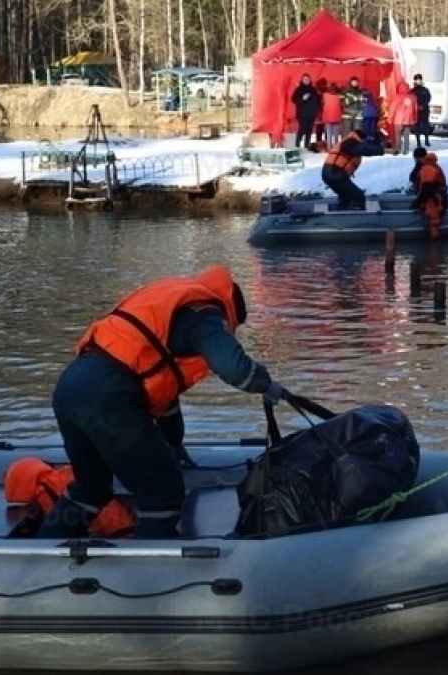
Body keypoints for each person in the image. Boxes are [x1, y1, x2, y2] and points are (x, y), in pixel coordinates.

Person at [39, 266, 286, 539]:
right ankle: (152, 570)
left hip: (70, 386)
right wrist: (267, 384)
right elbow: (234, 367)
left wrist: (174, 442)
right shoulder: (205, 312)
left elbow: (164, 398)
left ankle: (43, 547)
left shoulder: (171, 303)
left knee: (91, 487)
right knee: (162, 492)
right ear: (229, 310)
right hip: (109, 396)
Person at [321, 129, 384, 210]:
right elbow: (364, 149)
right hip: (335, 173)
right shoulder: (351, 142)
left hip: (330, 173)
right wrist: (381, 150)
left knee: (345, 196)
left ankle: (342, 212)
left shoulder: (349, 141)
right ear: (361, 138)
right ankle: (358, 216)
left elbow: (364, 149)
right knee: (358, 195)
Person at [410, 148, 448, 239]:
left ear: (417, 158)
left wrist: (418, 202)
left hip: (434, 199)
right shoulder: (425, 166)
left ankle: (434, 246)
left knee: (432, 219)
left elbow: (427, 188)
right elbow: (414, 178)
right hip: (433, 195)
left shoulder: (428, 168)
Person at [291, 73, 321, 150]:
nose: (306, 81)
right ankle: (297, 144)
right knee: (302, 129)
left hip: (311, 114)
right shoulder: (298, 89)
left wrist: (316, 111)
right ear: (302, 80)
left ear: (310, 80)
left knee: (309, 130)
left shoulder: (313, 89)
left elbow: (318, 101)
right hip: (302, 114)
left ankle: (306, 145)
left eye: (307, 79)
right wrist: (302, 98)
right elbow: (293, 100)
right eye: (304, 79)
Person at [390, 81, 419, 155]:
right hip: (409, 119)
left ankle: (398, 149)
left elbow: (393, 108)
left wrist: (390, 118)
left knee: (398, 135)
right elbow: (416, 109)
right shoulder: (413, 97)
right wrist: (415, 118)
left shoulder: (397, 97)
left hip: (398, 119)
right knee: (406, 135)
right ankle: (406, 150)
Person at [411, 74, 433, 148]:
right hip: (416, 111)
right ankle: (418, 142)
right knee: (417, 127)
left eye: (420, 80)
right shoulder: (412, 91)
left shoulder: (425, 90)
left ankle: (427, 140)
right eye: (417, 80)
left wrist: (423, 106)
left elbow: (428, 98)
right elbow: (411, 100)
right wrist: (417, 107)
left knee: (426, 125)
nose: (418, 81)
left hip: (425, 110)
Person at [321, 83, 344, 149]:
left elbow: (322, 104)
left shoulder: (325, 95)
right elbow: (342, 104)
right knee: (336, 134)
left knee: (329, 134)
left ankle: (329, 148)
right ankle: (336, 148)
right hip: (336, 117)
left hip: (328, 117)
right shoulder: (339, 95)